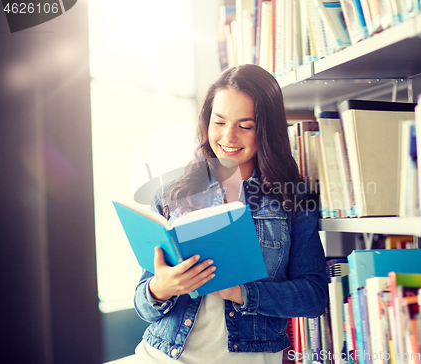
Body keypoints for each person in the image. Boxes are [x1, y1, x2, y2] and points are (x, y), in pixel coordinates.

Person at [133, 64, 328, 363]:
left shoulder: (292, 200)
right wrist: (160, 288)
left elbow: (314, 297)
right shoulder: (172, 194)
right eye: (219, 122)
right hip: (162, 355)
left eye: (245, 126)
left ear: (266, 130)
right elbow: (143, 307)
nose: (228, 136)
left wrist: (242, 292)